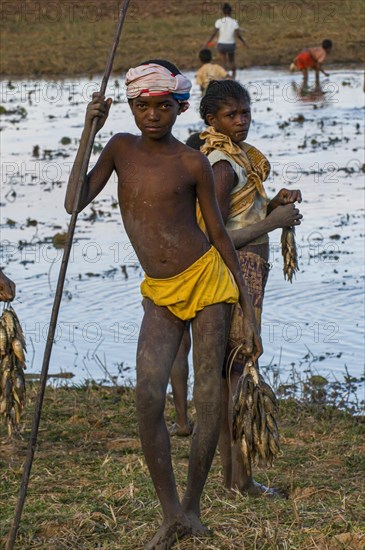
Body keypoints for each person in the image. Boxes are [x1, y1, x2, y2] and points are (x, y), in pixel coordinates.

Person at [64, 60, 262, 550]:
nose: (152, 115)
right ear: (130, 108)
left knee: (208, 396)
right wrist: (90, 131)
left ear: (179, 109)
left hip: (208, 282)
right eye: (142, 107)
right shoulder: (119, 149)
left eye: (162, 107)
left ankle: (193, 508)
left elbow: (218, 235)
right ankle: (170, 510)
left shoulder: (192, 162)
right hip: (161, 290)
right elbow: (74, 202)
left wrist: (247, 311)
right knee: (148, 395)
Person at [170, 80, 302, 497]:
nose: (241, 121)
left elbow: (235, 215)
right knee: (238, 371)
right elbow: (215, 235)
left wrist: (272, 202)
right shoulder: (222, 164)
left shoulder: (231, 158)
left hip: (242, 268)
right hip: (235, 271)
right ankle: (239, 480)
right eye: (232, 115)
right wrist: (273, 223)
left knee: (233, 372)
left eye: (245, 113)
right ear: (212, 120)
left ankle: (235, 477)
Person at [205, 3, 248, 80]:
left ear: (223, 12)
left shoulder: (219, 21)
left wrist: (207, 42)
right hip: (231, 45)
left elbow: (213, 34)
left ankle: (224, 79)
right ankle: (233, 78)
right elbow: (238, 35)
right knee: (232, 61)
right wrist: (244, 42)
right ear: (231, 11)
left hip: (221, 45)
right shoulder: (234, 22)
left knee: (223, 62)